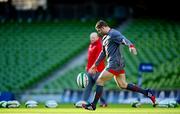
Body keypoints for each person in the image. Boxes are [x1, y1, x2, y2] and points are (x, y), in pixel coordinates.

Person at [82, 20, 156, 110]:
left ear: (103, 27)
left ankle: (93, 105)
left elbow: (123, 39)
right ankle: (147, 92)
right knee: (123, 85)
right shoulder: (105, 37)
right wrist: (95, 65)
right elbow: (103, 53)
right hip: (115, 63)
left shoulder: (113, 33)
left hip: (115, 63)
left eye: (99, 30)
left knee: (99, 80)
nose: (99, 32)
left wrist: (131, 46)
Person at [75, 32, 107, 107]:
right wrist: (88, 66)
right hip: (90, 70)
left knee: (99, 86)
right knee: (87, 86)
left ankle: (104, 102)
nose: (91, 39)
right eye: (91, 37)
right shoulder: (91, 45)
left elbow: (98, 59)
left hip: (98, 70)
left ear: (97, 37)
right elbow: (90, 58)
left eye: (93, 37)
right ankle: (84, 102)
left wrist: (93, 68)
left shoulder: (99, 45)